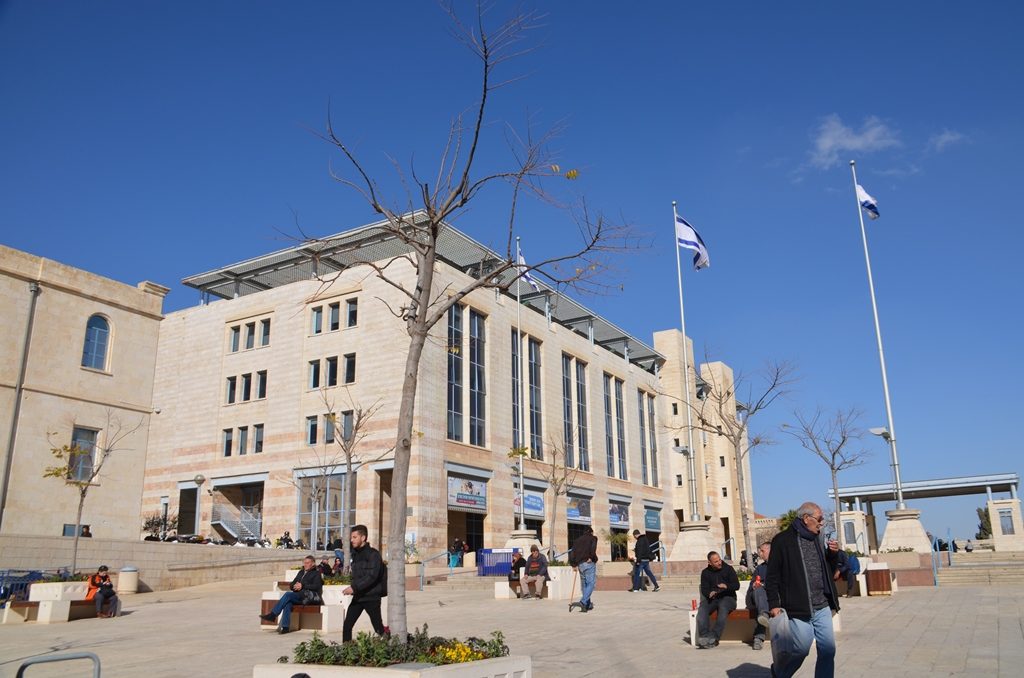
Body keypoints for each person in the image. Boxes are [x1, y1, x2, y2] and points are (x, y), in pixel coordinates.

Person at [766, 501, 841, 677]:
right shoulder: (782, 541)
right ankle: (780, 673)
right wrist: (774, 604)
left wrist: (833, 555)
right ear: (806, 518)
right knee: (801, 649)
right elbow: (772, 575)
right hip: (798, 608)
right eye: (819, 519)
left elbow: (827, 570)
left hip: (822, 605)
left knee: (828, 650)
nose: (822, 523)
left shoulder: (818, 538)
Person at [342, 524, 387, 642]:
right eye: (351, 537)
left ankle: (390, 644)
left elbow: (372, 576)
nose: (352, 540)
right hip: (358, 597)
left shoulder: (373, 554)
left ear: (363, 538)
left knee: (378, 628)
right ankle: (346, 649)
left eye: (354, 537)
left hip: (371, 597)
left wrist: (354, 588)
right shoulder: (355, 554)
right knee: (347, 625)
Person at [260, 555, 323, 634]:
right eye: (304, 563)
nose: (305, 564)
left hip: (308, 598)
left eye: (307, 563)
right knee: (288, 603)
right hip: (299, 595)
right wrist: (294, 586)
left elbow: (317, 586)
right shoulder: (301, 572)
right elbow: (292, 584)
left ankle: (273, 614)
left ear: (313, 564)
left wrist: (303, 586)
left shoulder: (316, 573)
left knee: (287, 595)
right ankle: (285, 627)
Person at [695, 551, 740, 648]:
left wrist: (726, 586)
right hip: (713, 599)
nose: (719, 563)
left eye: (719, 560)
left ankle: (714, 637)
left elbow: (736, 585)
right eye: (716, 562)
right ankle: (704, 637)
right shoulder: (705, 573)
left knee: (723, 606)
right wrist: (709, 593)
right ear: (710, 563)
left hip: (728, 598)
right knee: (702, 609)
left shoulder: (728, 569)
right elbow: (704, 589)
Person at [747, 541, 772, 650]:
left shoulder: (780, 565)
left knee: (762, 609)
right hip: (761, 599)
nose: (760, 553)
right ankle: (764, 615)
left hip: (775, 598)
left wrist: (764, 585)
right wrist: (755, 585)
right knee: (758, 592)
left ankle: (758, 638)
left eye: (762, 551)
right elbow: (751, 585)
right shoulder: (760, 568)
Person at [569, 526, 598, 613]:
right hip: (588, 563)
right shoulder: (593, 538)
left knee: (584, 585)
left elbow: (572, 553)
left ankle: (586, 606)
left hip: (580, 565)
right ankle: (583, 601)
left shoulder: (577, 540)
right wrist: (592, 557)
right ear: (591, 532)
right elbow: (593, 549)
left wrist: (573, 564)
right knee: (591, 583)